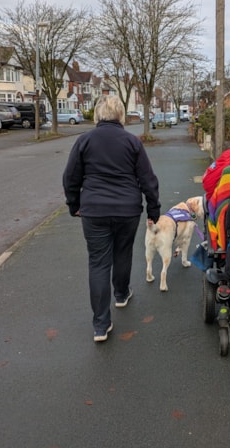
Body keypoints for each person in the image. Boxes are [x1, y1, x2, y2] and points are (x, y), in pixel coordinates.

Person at [62, 95, 160, 343]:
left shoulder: (84, 140)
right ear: (120, 116)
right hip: (127, 209)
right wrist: (153, 210)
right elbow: (148, 179)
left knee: (98, 263)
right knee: (122, 252)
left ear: (97, 115)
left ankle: (100, 325)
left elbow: (70, 177)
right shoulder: (131, 142)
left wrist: (75, 204)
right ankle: (121, 294)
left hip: (94, 210)